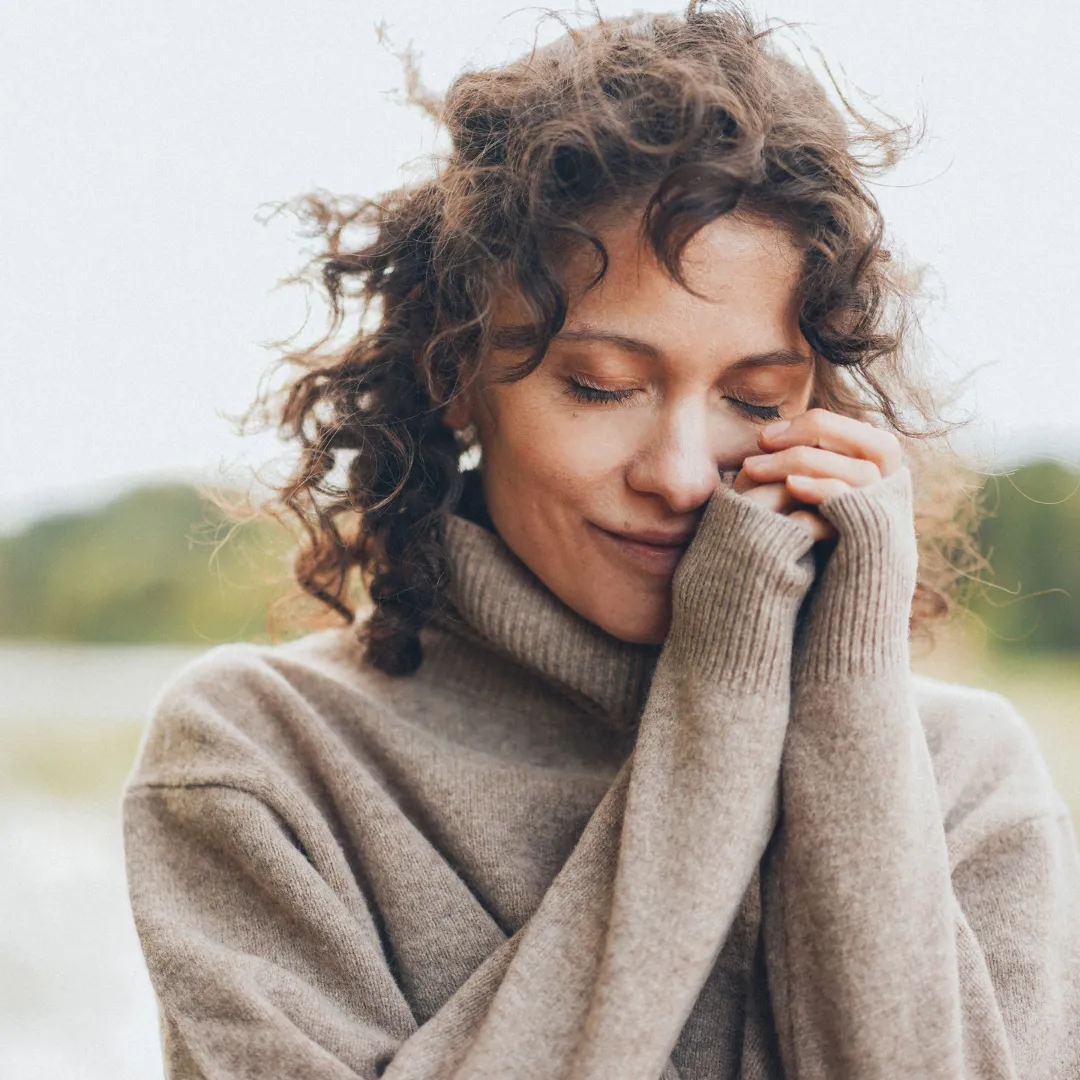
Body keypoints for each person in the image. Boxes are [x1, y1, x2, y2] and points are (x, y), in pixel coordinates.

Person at [121, 4, 1080, 1078]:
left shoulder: (967, 779)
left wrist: (843, 712)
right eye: (602, 387)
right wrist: (717, 708)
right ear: (457, 379)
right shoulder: (264, 759)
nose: (678, 474)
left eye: (758, 402)